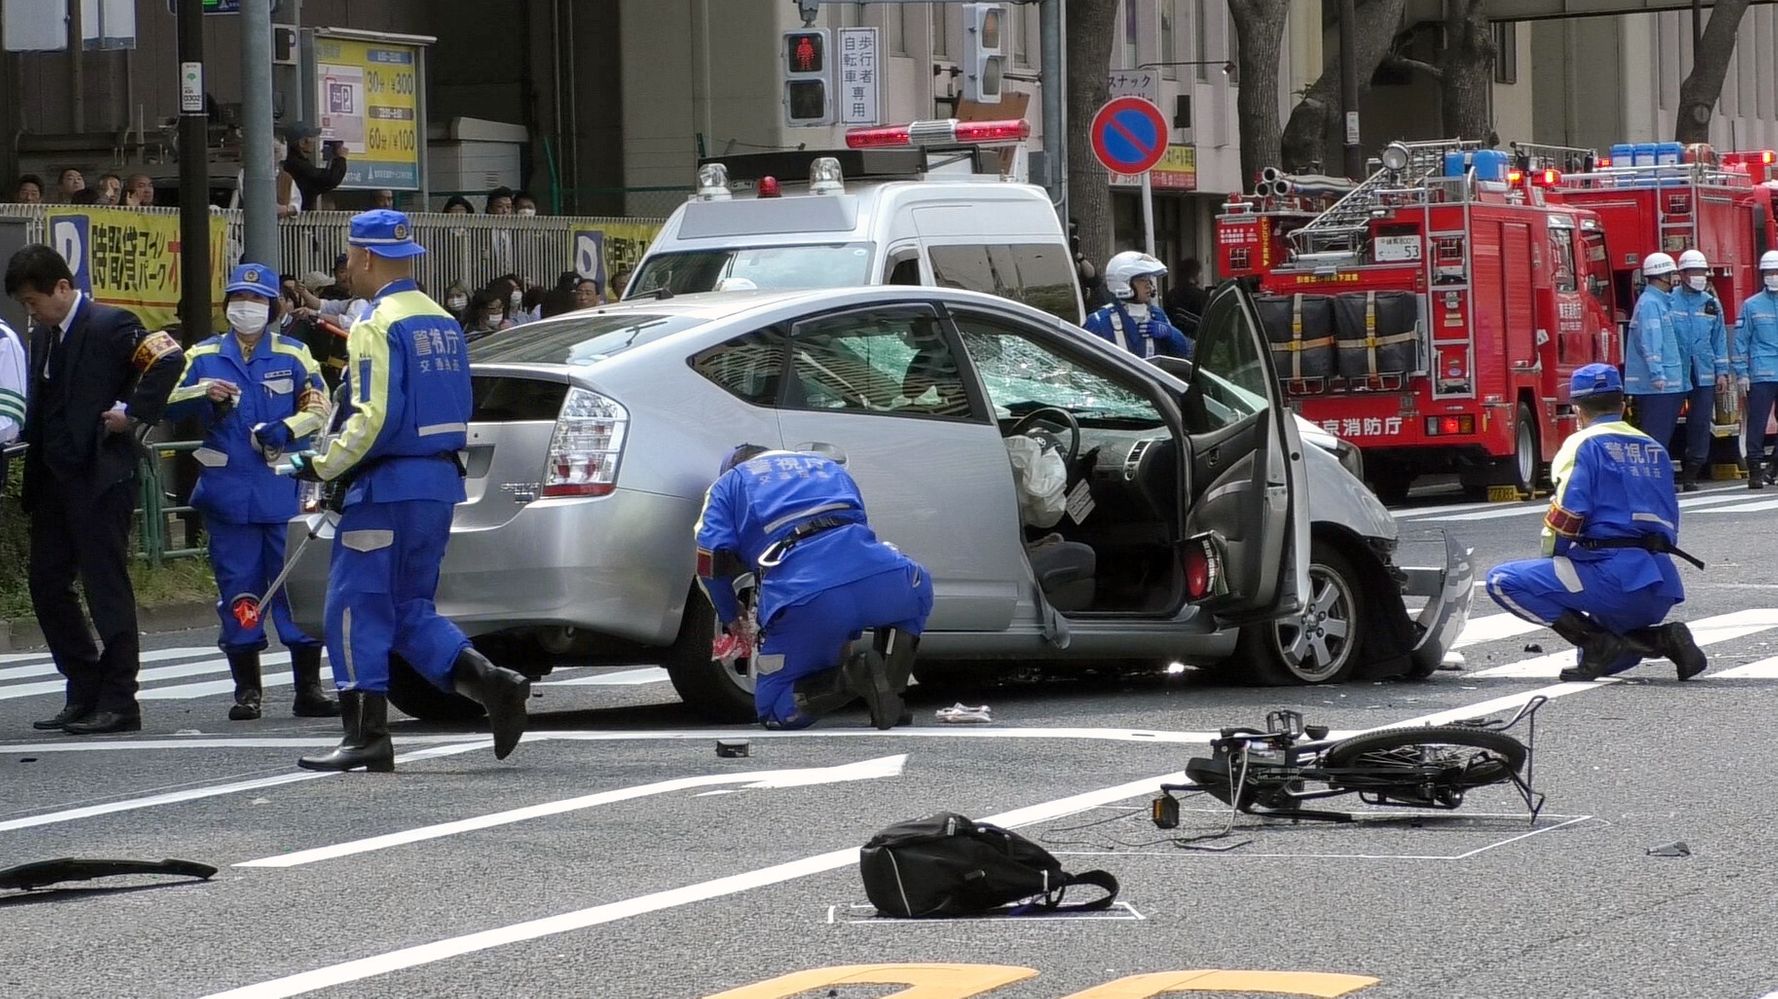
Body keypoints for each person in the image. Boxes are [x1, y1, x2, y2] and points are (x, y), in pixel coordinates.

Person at [280, 209, 530, 772]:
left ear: (366, 257)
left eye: (348, 258)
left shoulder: (377, 323)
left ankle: (366, 734)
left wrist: (321, 464)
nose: (347, 269)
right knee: (408, 605)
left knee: (355, 606)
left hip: (386, 486)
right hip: (438, 485)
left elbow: (369, 416)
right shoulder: (441, 320)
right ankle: (490, 682)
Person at [5, 244, 184, 734]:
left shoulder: (112, 323)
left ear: (62, 287)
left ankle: (120, 698)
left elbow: (168, 358)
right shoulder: (44, 336)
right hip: (53, 479)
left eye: (33, 300)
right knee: (47, 584)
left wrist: (133, 411)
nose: (31, 310)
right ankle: (82, 684)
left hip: (100, 476)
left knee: (105, 585)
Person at [163, 264, 338, 721]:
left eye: (259, 301)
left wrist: (288, 426)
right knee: (238, 589)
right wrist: (206, 393)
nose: (250, 308)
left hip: (284, 493)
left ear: (274, 307)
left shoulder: (295, 354)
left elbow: (320, 407)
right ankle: (247, 691)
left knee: (292, 589)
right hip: (228, 494)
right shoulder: (202, 354)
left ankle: (308, 689)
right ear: (228, 307)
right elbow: (166, 399)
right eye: (241, 299)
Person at [1485, 363, 1707, 682]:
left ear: (1577, 410)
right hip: (1660, 583)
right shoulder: (1654, 448)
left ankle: (1599, 641)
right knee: (1610, 662)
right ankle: (1662, 638)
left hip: (1612, 579)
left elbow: (1567, 516)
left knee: (1501, 580)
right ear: (1623, 404)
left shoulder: (1582, 444)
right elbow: (1670, 522)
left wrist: (1555, 560)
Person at [695, 445, 934, 730]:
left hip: (806, 596)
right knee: (915, 589)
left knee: (773, 712)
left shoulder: (728, 483)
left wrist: (731, 614)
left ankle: (854, 676)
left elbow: (710, 560)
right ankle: (891, 696)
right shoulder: (830, 468)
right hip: (890, 580)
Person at [1667, 249, 1730, 491]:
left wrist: (1721, 371)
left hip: (1704, 371)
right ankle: (1667, 466)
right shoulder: (1670, 301)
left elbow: (1719, 339)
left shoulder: (1711, 303)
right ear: (1682, 274)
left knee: (1701, 421)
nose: (1699, 276)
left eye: (1702, 271)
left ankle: (1692, 471)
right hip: (1676, 370)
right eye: (1693, 272)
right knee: (1669, 419)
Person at [1625, 251, 1686, 454]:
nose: (1674, 278)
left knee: (1660, 435)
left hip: (1665, 383)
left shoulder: (1658, 302)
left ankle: (1657, 476)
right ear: (1663, 276)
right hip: (1658, 385)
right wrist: (1657, 373)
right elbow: (1651, 343)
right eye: (1671, 274)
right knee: (1656, 436)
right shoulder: (1651, 304)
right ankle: (1654, 477)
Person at [1083, 251, 1192, 359]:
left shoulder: (1157, 315)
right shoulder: (1100, 321)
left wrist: (1171, 334)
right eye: (1142, 280)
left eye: (1149, 280)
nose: (1149, 286)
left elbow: (1183, 353)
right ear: (1123, 282)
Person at [1736, 250, 1778, 490]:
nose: (1773, 276)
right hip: (1761, 374)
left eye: (1777, 272)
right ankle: (1755, 468)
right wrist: (1741, 373)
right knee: (1757, 423)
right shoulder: (1751, 306)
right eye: (1770, 272)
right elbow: (1741, 340)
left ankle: (1774, 466)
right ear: (1763, 275)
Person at [281, 123, 346, 211]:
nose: (314, 141)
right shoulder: (297, 165)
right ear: (302, 142)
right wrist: (340, 159)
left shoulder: (296, 162)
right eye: (312, 138)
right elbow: (327, 180)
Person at [1162, 257, 1207, 338]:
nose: (1201, 275)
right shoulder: (1201, 296)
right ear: (1194, 274)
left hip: (1174, 337)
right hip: (1196, 339)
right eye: (1199, 272)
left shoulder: (1171, 295)